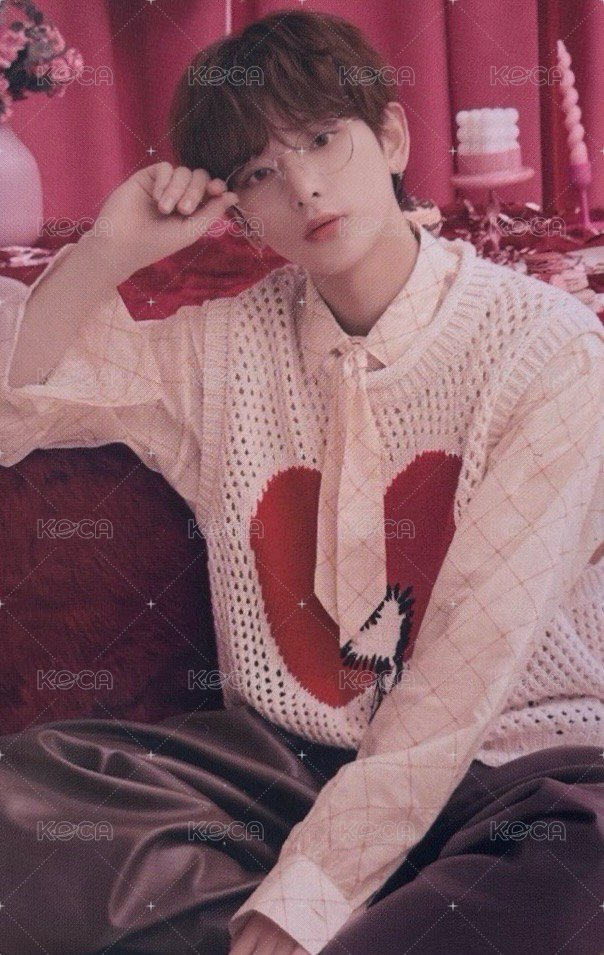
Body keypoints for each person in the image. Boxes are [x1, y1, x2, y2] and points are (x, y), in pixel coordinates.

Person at [0, 8, 603, 955]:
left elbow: (467, 670)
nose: (305, 186)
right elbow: (16, 402)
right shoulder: (221, 351)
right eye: (259, 173)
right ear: (238, 209)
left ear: (391, 137)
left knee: (584, 861)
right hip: (290, 765)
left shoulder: (548, 352)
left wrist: (310, 893)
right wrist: (109, 250)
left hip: (513, 761)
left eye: (323, 140)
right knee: (28, 796)